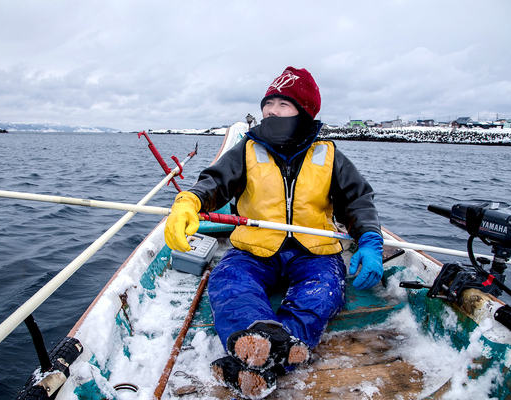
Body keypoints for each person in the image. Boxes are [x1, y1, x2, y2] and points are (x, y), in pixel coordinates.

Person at [164, 66, 383, 399]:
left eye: (283, 104)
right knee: (229, 283)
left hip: (315, 252)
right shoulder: (247, 151)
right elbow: (215, 182)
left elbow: (357, 201)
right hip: (254, 250)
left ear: (304, 112)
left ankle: (264, 356)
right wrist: (189, 201)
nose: (271, 111)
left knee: (322, 293)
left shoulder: (330, 155)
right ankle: (257, 337)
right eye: (268, 104)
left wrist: (369, 240)